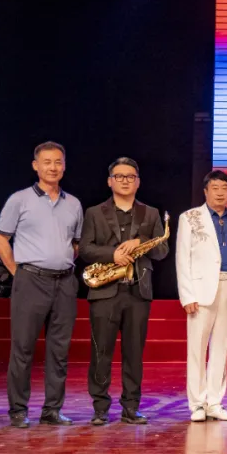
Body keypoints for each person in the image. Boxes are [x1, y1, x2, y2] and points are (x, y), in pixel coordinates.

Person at [0, 141, 84, 428]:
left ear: (64, 166)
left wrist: (62, 261)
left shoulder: (74, 204)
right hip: (30, 280)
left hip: (65, 283)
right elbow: (0, 239)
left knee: (59, 350)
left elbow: (76, 244)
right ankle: (18, 410)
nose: (53, 167)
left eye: (58, 162)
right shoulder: (19, 199)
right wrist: (17, 271)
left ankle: (52, 410)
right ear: (36, 166)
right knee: (23, 348)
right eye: (47, 162)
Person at [78, 157, 169, 425]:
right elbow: (85, 249)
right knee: (101, 353)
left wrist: (141, 241)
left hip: (138, 291)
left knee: (134, 354)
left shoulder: (151, 213)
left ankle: (131, 407)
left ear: (138, 182)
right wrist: (113, 254)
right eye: (119, 176)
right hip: (104, 291)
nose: (125, 181)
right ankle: (100, 408)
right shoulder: (94, 212)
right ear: (110, 181)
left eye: (130, 176)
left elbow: (162, 250)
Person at [176, 170, 227, 423]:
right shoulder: (190, 217)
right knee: (197, 348)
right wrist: (187, 295)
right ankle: (197, 403)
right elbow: (182, 257)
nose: (220, 193)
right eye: (215, 188)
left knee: (221, 347)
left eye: (224, 188)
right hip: (200, 290)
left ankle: (215, 402)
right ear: (205, 191)